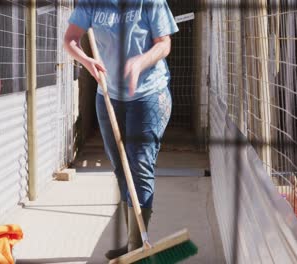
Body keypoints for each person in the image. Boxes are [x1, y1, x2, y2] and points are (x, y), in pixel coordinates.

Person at [63, 0, 178, 259]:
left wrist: (139, 62)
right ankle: (133, 244)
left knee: (139, 165)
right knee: (121, 167)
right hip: (109, 95)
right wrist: (87, 61)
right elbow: (70, 38)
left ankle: (138, 247)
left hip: (149, 94)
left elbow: (164, 44)